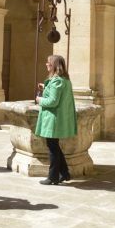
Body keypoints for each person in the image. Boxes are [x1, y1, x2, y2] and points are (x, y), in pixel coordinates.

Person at [35, 54, 77, 185]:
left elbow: (53, 101)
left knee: (52, 147)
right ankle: (64, 173)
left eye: (48, 63)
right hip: (57, 118)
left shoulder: (57, 81)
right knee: (54, 146)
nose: (46, 64)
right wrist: (46, 87)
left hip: (53, 119)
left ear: (54, 65)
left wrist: (39, 99)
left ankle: (53, 177)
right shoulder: (63, 80)